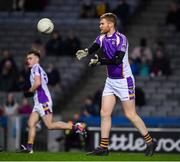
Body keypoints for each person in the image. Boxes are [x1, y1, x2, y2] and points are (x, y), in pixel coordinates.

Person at [76, 13, 157, 156]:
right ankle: (103, 147)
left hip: (124, 81)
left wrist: (100, 62)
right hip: (110, 81)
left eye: (102, 23)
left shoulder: (121, 39)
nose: (100, 26)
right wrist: (86, 52)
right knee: (104, 113)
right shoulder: (101, 38)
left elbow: (118, 60)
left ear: (111, 24)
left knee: (130, 114)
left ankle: (150, 142)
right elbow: (94, 46)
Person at [19, 50, 86, 153]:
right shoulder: (39, 70)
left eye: (30, 58)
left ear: (37, 59)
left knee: (50, 125)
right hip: (38, 101)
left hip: (43, 101)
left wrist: (29, 91)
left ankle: (77, 127)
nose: (28, 60)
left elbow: (37, 83)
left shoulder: (35, 68)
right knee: (31, 123)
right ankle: (29, 148)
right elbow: (43, 82)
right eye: (27, 58)